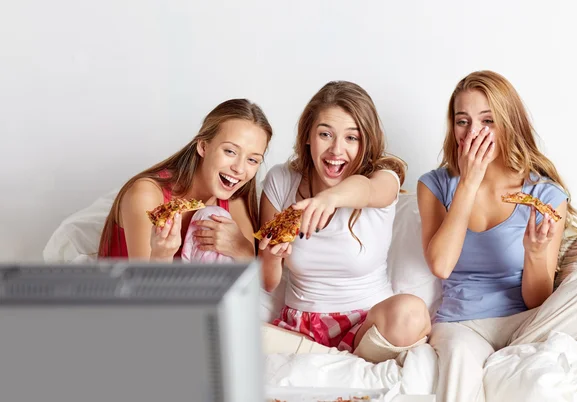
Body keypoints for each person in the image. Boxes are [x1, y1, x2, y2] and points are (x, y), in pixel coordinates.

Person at [417, 70, 577, 402]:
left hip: (527, 322)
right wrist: (469, 182)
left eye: (487, 120)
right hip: (463, 323)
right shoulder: (435, 185)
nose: (473, 132)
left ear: (508, 123)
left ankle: (508, 358)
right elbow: (441, 266)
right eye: (463, 121)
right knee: (458, 361)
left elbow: (537, 300)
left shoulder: (545, 194)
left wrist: (534, 252)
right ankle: (516, 362)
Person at [258, 81, 431, 364]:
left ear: (366, 143)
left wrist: (329, 198)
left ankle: (327, 361)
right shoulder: (281, 180)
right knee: (228, 332)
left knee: (412, 313)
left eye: (352, 138)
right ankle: (340, 362)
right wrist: (272, 255)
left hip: (367, 327)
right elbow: (269, 280)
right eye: (325, 134)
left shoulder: (384, 177)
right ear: (308, 137)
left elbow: (366, 190)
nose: (336, 150)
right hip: (300, 327)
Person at [98, 98, 272, 262]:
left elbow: (253, 283)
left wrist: (241, 249)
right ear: (203, 146)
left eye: (252, 160)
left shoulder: (233, 203)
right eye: (230, 151)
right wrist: (161, 256)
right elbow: (146, 289)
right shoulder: (146, 195)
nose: (239, 169)